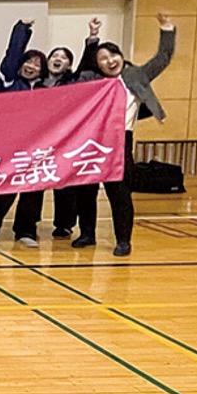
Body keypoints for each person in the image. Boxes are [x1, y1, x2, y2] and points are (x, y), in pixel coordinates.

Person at [75, 13, 175, 257]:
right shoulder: (91, 79)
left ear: (121, 56)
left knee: (119, 192)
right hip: (90, 140)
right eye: (103, 58)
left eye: (113, 55)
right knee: (86, 190)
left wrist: (167, 29)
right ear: (97, 65)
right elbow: (82, 69)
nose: (110, 61)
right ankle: (87, 234)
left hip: (120, 140)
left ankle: (123, 240)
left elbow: (162, 58)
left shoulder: (135, 75)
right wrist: (93, 38)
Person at [0, 19, 49, 247]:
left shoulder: (46, 90)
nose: (32, 66)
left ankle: (26, 231)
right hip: (11, 146)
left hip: (38, 146)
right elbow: (12, 55)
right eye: (28, 61)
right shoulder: (9, 81)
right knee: (5, 188)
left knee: (34, 190)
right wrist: (21, 29)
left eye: (37, 64)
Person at [41, 18, 102, 239]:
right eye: (54, 56)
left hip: (66, 138)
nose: (58, 59)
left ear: (68, 65)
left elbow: (87, 65)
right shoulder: (37, 82)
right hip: (39, 139)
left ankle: (64, 224)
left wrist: (92, 38)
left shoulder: (73, 81)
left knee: (64, 182)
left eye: (63, 57)